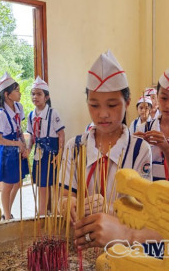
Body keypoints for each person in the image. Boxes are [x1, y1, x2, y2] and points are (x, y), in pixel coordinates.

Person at [61, 50, 152, 222]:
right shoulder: (75, 147)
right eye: (94, 105)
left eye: (111, 105)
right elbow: (64, 196)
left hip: (123, 244)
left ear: (127, 102)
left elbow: (143, 209)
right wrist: (69, 204)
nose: (102, 114)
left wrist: (109, 210)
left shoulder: (139, 150)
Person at [0, 72, 30, 221]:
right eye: (17, 90)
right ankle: (7, 217)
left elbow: (19, 129)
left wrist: (24, 147)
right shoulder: (1, 114)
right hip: (7, 151)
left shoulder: (18, 107)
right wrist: (17, 144)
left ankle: (7, 211)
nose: (20, 93)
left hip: (18, 149)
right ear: (7, 94)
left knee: (18, 182)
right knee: (7, 186)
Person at [27, 77, 65, 216]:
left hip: (52, 152)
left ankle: (57, 210)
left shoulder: (52, 113)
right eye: (33, 93)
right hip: (39, 152)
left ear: (46, 97)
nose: (35, 97)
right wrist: (28, 150)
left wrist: (60, 154)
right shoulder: (31, 115)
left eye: (39, 94)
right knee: (41, 184)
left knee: (55, 183)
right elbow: (31, 137)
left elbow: (61, 134)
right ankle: (42, 211)